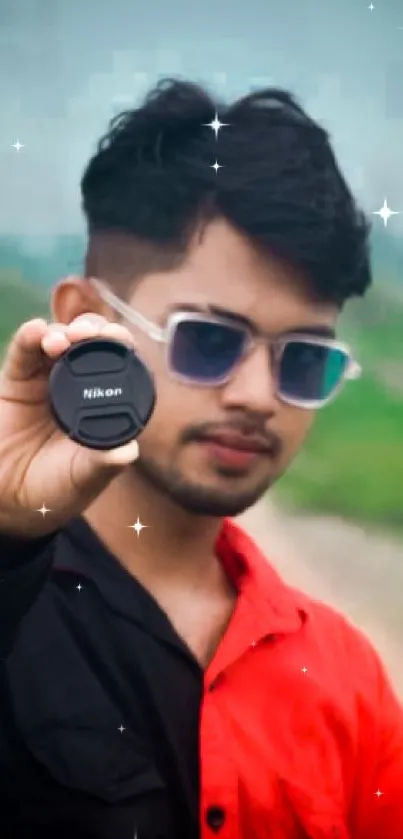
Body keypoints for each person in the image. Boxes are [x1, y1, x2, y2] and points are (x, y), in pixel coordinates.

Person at [0, 78, 402, 839]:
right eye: (208, 340)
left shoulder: (347, 681)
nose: (256, 396)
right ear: (85, 324)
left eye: (302, 361)